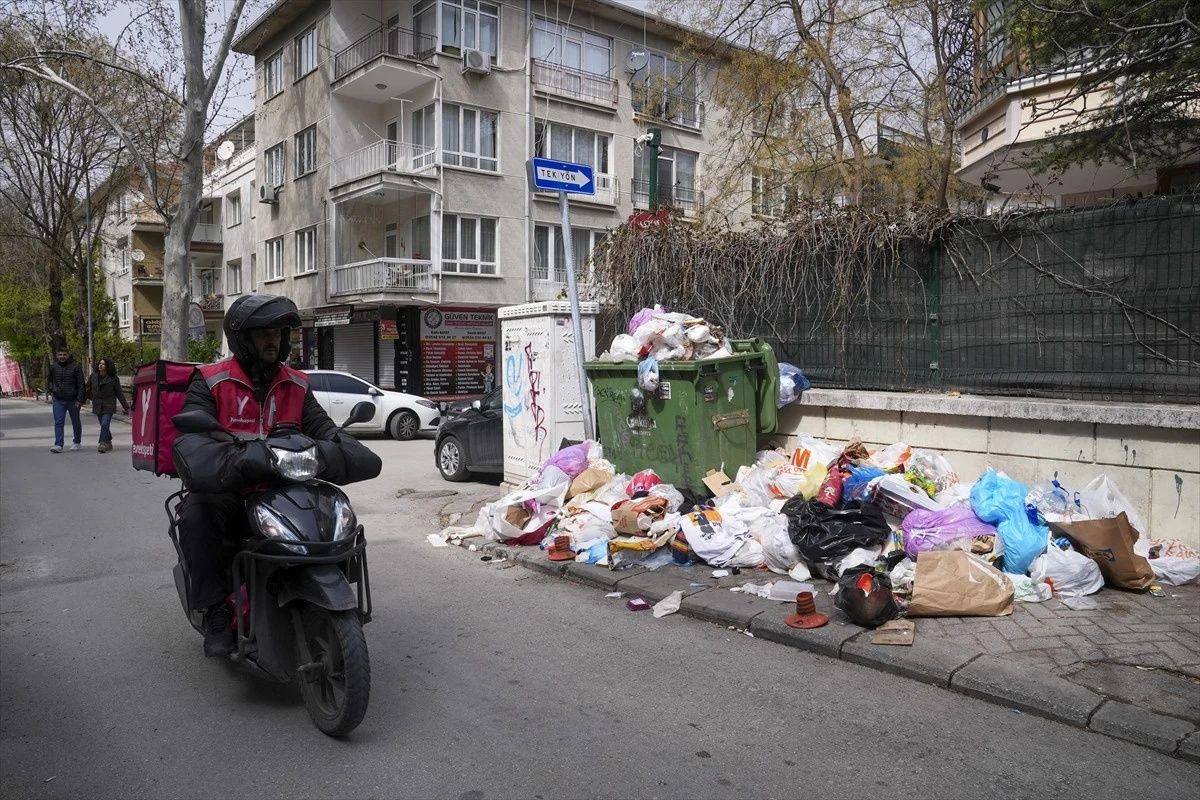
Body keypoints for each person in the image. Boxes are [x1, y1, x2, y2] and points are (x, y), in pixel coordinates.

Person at [172, 294, 382, 657]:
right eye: (264, 333)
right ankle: (216, 610)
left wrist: (338, 450)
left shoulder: (297, 385)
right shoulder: (209, 382)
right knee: (197, 513)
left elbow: (325, 431)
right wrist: (248, 459)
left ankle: (326, 594)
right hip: (231, 491)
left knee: (333, 509)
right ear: (242, 339)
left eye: (279, 333)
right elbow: (193, 445)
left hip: (283, 490)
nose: (273, 341)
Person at [86, 357, 130, 452]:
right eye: (100, 363)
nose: (100, 365)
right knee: (103, 425)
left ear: (108, 366)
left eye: (103, 364)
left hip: (109, 404)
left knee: (105, 424)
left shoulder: (113, 378)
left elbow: (119, 393)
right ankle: (108, 441)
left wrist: (126, 407)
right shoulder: (93, 376)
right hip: (97, 403)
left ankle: (102, 443)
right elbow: (87, 388)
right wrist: (81, 400)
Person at [47, 347, 84, 453]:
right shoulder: (53, 367)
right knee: (58, 422)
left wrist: (79, 399)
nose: (62, 357)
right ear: (56, 356)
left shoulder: (76, 367)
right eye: (60, 354)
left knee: (76, 421)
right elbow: (49, 380)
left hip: (73, 400)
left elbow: (81, 384)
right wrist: (52, 390)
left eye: (64, 354)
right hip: (58, 400)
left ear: (68, 355)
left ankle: (77, 442)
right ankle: (58, 444)